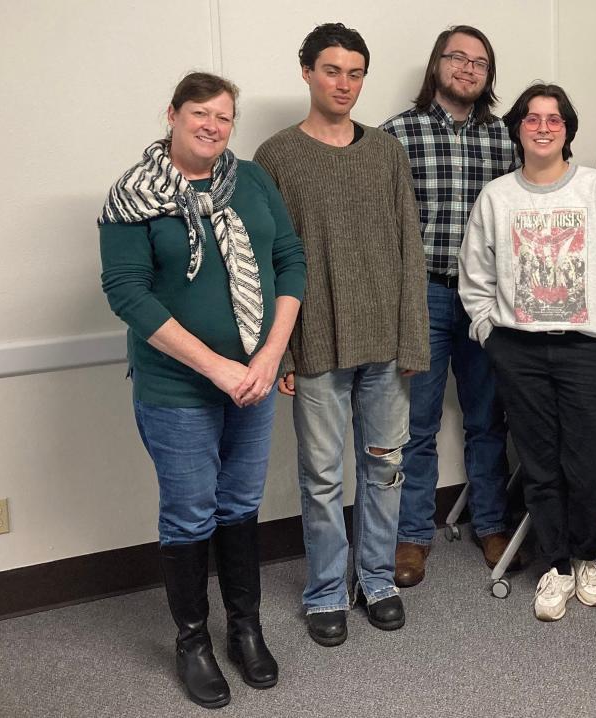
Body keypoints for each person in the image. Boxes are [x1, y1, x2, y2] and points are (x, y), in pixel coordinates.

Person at [99, 72, 306, 708]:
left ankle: (246, 628)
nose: (212, 125)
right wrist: (218, 367)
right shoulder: (135, 195)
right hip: (178, 386)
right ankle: (193, 642)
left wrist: (270, 356)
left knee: (241, 505)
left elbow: (290, 261)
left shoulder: (251, 181)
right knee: (190, 510)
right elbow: (127, 292)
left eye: (224, 116)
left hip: (256, 377)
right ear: (172, 114)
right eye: (199, 113)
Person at [254, 23, 429, 648]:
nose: (345, 84)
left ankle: (376, 581)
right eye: (333, 70)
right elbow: (268, 260)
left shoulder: (386, 152)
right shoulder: (275, 157)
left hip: (385, 343)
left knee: (385, 469)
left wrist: (414, 339)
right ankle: (327, 589)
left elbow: (410, 246)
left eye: (356, 73)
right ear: (306, 72)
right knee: (322, 477)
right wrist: (281, 352)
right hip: (317, 345)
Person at [460, 83, 596, 622]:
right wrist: (488, 334)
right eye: (532, 118)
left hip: (588, 351)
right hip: (518, 351)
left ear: (567, 129)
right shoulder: (497, 197)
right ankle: (556, 565)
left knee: (588, 464)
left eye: (554, 119)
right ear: (517, 128)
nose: (543, 127)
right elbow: (475, 278)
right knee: (540, 465)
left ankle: (588, 556)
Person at [380, 25, 517, 587]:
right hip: (426, 295)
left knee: (488, 418)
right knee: (419, 421)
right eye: (456, 57)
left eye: (479, 62)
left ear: (487, 75)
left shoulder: (506, 140)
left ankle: (491, 523)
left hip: (488, 297)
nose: (466, 68)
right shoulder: (394, 137)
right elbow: (381, 227)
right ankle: (412, 535)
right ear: (437, 65)